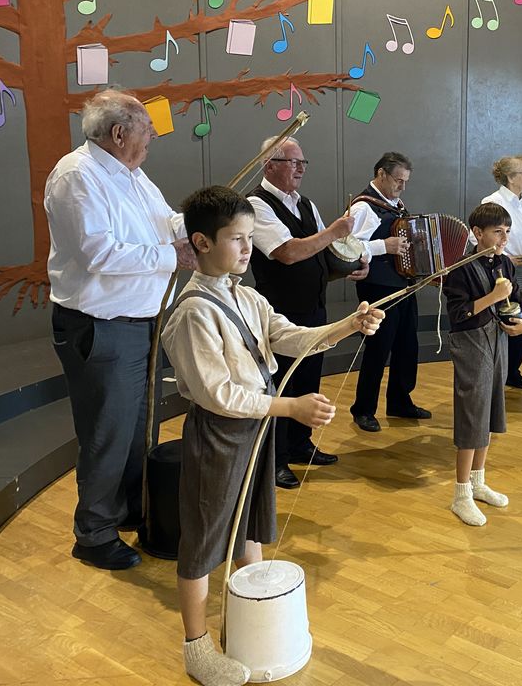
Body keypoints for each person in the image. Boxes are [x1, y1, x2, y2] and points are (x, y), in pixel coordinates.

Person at [161, 186, 384, 686]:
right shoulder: (193, 311)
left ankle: (248, 621)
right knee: (204, 540)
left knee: (250, 525)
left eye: (249, 237)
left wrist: (349, 325)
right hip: (221, 434)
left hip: (255, 427)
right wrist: (290, 408)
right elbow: (218, 394)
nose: (247, 248)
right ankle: (196, 646)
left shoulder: (246, 296)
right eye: (236, 239)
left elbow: (289, 336)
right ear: (201, 242)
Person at [45, 89, 197, 571]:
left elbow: (164, 220)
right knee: (107, 432)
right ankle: (93, 534)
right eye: (146, 130)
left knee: (138, 427)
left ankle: (130, 508)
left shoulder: (131, 173)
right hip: (101, 327)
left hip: (139, 323)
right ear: (118, 133)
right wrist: (174, 255)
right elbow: (99, 253)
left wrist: (197, 227)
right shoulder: (77, 176)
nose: (152, 138)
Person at [249, 137, 365, 489]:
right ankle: (276, 459)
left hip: (313, 307)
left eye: (303, 162)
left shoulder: (306, 204)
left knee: (308, 379)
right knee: (284, 385)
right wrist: (334, 231)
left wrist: (351, 266)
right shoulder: (256, 204)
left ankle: (301, 444)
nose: (300, 168)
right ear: (270, 164)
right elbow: (287, 252)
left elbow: (321, 254)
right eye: (293, 162)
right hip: (280, 312)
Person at [442, 203, 522, 525]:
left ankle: (478, 482)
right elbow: (458, 313)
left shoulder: (505, 262)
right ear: (478, 233)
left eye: (507, 232)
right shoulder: (460, 268)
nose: (504, 238)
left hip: (497, 341)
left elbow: (519, 298)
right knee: (472, 414)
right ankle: (460, 494)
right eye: (497, 232)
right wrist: (493, 297)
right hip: (471, 344)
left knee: (490, 409)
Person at [347, 152, 430, 432]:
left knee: (407, 345)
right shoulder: (364, 207)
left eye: (405, 181)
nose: (402, 186)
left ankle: (400, 401)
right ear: (381, 174)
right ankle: (363, 409)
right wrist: (384, 246)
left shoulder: (396, 206)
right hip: (378, 287)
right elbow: (347, 248)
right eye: (398, 180)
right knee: (378, 348)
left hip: (403, 285)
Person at [474, 155, 522, 389]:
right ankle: (500, 370)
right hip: (503, 270)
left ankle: (513, 370)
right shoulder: (492, 201)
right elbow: (478, 240)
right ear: (509, 176)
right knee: (504, 320)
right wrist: (505, 257)